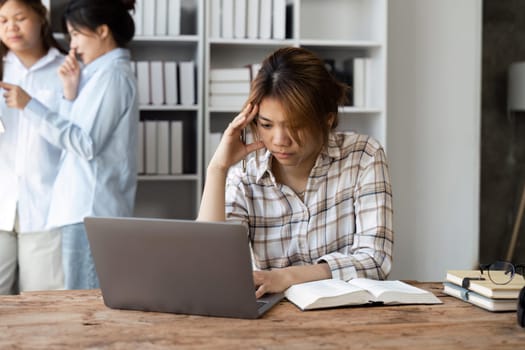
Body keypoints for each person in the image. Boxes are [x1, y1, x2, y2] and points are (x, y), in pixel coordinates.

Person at [198, 47, 393, 298]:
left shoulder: (363, 155)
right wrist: (217, 169)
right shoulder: (245, 173)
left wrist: (287, 277)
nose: (279, 140)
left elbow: (376, 261)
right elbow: (209, 266)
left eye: (296, 125)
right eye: (266, 125)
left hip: (350, 314)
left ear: (328, 120)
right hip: (276, 318)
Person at [0, 0, 139, 290]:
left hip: (72, 209)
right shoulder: (92, 73)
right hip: (67, 208)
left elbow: (84, 142)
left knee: (70, 307)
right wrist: (69, 94)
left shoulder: (101, 73)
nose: (72, 44)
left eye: (75, 34)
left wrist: (32, 105)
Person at [0, 0, 66, 294]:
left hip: (47, 207)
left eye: (19, 18)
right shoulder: (2, 68)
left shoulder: (67, 69)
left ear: (41, 18)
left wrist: (31, 106)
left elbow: (77, 135)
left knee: (43, 304)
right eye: (2, 21)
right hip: (1, 205)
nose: (10, 27)